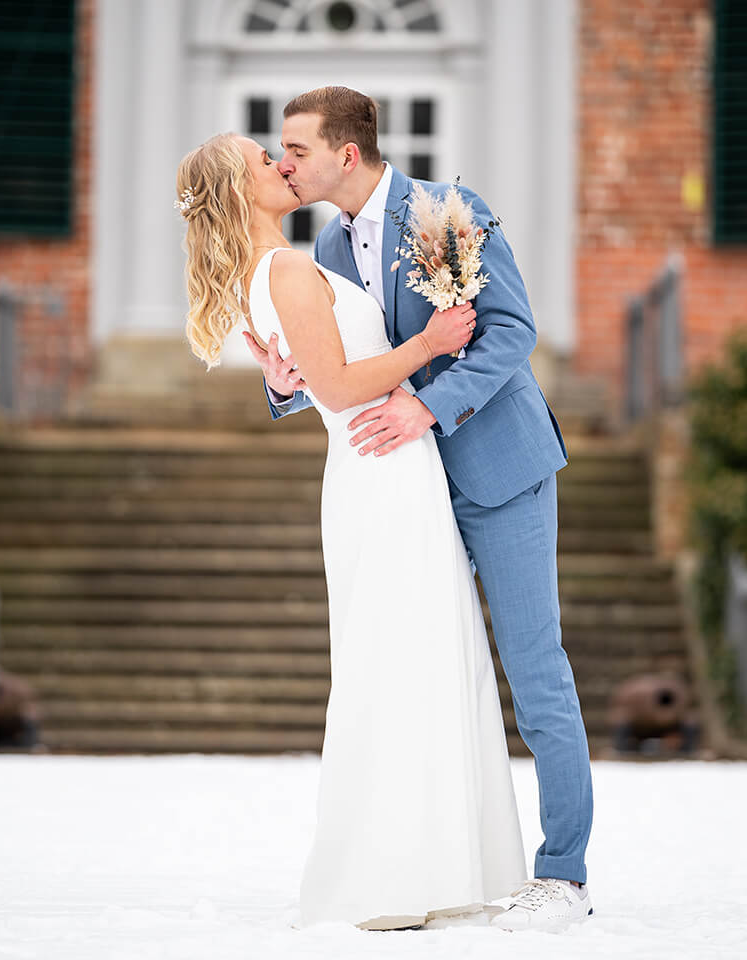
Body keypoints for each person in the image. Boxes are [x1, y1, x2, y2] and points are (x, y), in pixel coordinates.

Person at [247, 86, 595, 932]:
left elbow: (511, 332)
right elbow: (347, 363)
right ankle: (435, 861)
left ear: (348, 153)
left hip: (497, 469)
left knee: (532, 666)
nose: (284, 162)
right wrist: (282, 386)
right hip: (407, 494)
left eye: (296, 148)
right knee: (428, 677)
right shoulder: (326, 244)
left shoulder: (448, 213)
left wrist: (430, 408)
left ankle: (563, 874)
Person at [176, 132, 524, 931]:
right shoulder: (289, 270)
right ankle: (391, 877)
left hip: (392, 468)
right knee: (399, 662)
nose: (282, 164)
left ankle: (437, 866)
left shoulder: (285, 268)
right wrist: (429, 345)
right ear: (240, 189)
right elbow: (335, 388)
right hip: (382, 470)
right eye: (265, 160)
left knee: (423, 656)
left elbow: (309, 375)